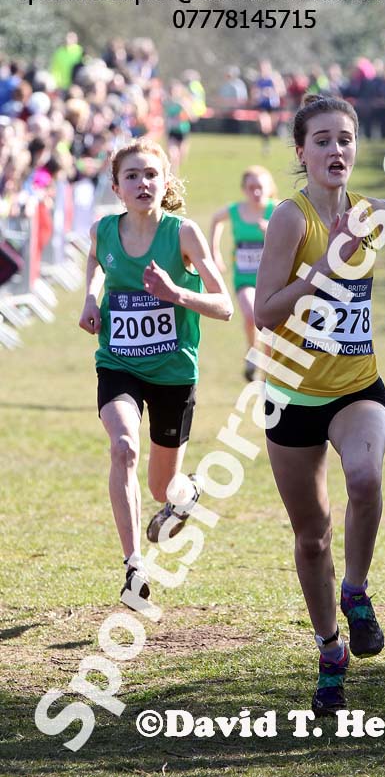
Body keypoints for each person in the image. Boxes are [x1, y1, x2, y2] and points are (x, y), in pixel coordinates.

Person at [254, 95, 385, 715]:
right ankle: (331, 650)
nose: (336, 150)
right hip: (292, 393)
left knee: (365, 476)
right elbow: (264, 311)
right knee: (311, 539)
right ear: (302, 153)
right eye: (322, 140)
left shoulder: (370, 214)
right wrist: (321, 271)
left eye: (345, 139)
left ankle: (355, 590)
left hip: (357, 385)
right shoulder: (291, 218)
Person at [78, 139, 233, 603]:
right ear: (116, 187)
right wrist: (90, 298)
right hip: (118, 362)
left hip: (173, 372)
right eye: (132, 175)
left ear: (166, 183)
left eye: (151, 174)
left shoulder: (183, 234)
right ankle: (134, 567)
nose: (142, 182)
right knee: (123, 447)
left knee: (162, 485)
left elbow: (224, 305)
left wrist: (176, 294)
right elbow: (95, 260)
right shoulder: (104, 230)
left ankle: (186, 495)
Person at [210, 166, 278, 381]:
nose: (255, 192)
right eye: (251, 187)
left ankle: (267, 377)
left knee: (269, 328)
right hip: (244, 278)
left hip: (272, 281)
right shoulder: (235, 210)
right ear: (244, 189)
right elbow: (216, 220)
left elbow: (294, 236)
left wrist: (272, 231)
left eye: (260, 187)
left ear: (269, 188)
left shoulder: (278, 211)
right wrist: (214, 253)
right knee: (250, 315)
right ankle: (252, 353)